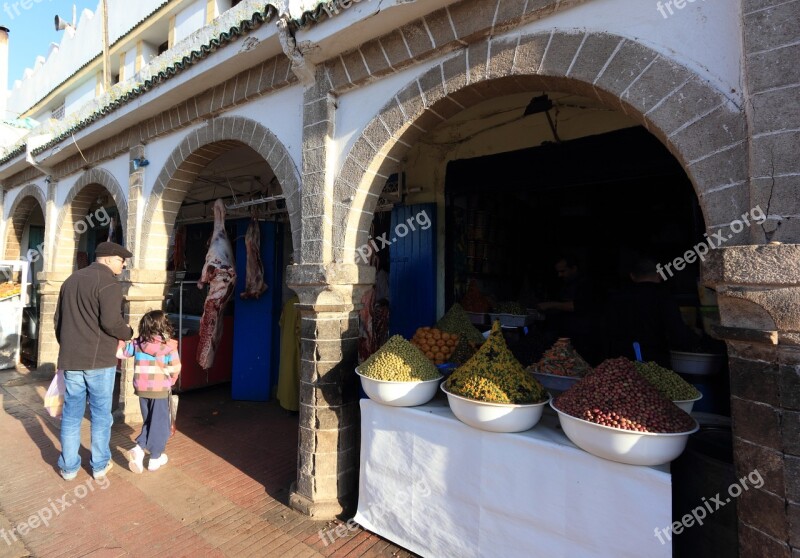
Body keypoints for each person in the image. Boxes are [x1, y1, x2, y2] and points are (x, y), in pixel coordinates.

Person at [55, 241, 133, 481]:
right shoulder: (108, 283)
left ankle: (69, 468)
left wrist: (68, 346)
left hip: (72, 359)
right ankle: (99, 464)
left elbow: (58, 320)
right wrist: (128, 332)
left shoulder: (71, 281)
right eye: (121, 260)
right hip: (99, 361)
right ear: (108, 259)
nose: (123, 264)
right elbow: (111, 322)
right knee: (100, 414)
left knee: (71, 413)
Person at [603, 257, 702, 367]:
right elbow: (677, 331)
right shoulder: (663, 297)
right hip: (655, 360)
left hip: (622, 362)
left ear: (632, 276)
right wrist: (697, 339)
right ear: (659, 274)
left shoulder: (618, 298)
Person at [117, 310, 181, 473]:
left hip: (142, 389)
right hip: (160, 389)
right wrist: (171, 381)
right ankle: (153, 456)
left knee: (150, 421)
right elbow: (175, 368)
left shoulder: (137, 343)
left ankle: (140, 453)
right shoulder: (169, 347)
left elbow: (120, 353)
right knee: (161, 425)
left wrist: (121, 337)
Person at [536, 254, 598, 363]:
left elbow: (576, 305)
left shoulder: (585, 283)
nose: (560, 275)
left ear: (573, 268)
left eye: (563, 271)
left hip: (582, 335)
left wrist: (550, 305)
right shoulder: (566, 283)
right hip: (566, 333)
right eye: (558, 272)